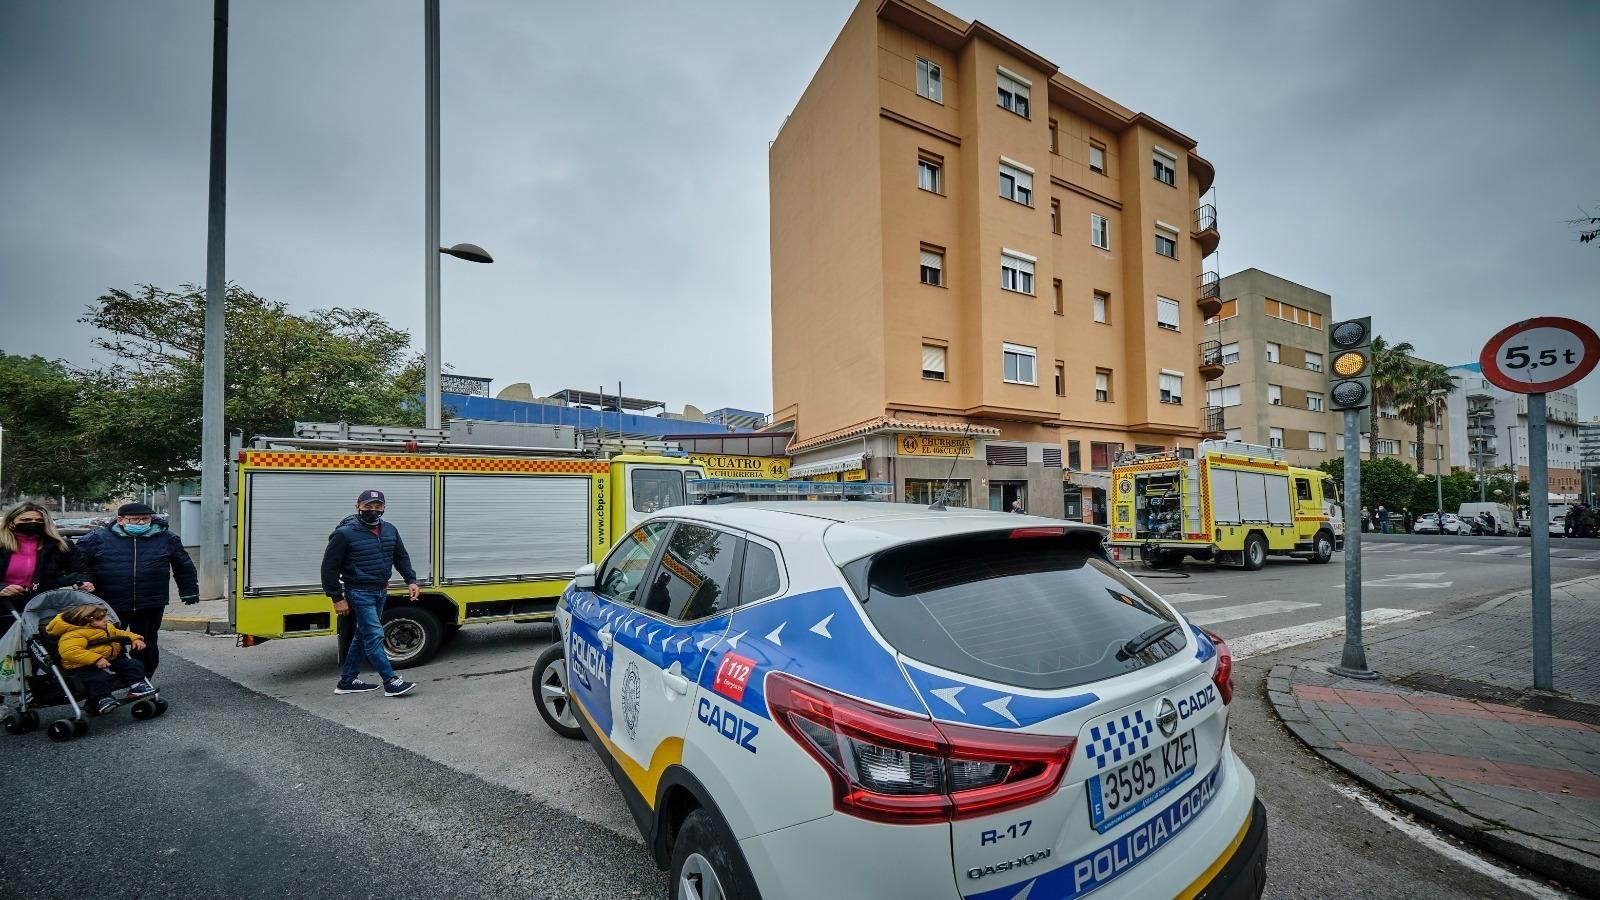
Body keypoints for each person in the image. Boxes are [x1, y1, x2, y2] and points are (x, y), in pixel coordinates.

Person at [74, 502, 197, 678]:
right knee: (107, 641)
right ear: (120, 520)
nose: (141, 523)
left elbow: (183, 565)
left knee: (145, 643)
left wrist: (189, 590)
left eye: (145, 519)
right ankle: (109, 679)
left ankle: (143, 679)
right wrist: (83, 580)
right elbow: (78, 562)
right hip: (109, 603)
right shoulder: (97, 538)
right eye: (135, 519)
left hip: (150, 601)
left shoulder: (166, 538)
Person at [321, 489, 419, 697]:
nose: (373, 510)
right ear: (357, 506)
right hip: (359, 592)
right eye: (368, 506)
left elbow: (400, 556)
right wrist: (337, 598)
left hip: (380, 591)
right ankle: (391, 681)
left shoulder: (390, 529)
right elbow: (329, 568)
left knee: (362, 635)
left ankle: (347, 681)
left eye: (378, 506)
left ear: (384, 508)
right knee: (374, 635)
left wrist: (410, 580)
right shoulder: (344, 533)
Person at [46, 603, 156, 715]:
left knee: (133, 664)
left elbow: (121, 633)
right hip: (83, 666)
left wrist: (135, 639)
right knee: (98, 677)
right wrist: (96, 659)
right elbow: (70, 651)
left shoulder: (107, 627)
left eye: (105, 617)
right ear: (87, 621)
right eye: (100, 619)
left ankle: (138, 686)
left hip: (109, 659)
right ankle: (103, 698)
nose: (105, 620)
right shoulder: (73, 634)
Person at [1, 503, 91, 628]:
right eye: (26, 520)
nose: (33, 523)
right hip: (4, 608)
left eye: (39, 520)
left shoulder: (61, 546)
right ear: (11, 522)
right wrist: (2, 588)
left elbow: (81, 571)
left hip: (43, 608)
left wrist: (85, 583)